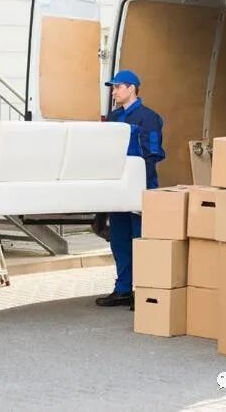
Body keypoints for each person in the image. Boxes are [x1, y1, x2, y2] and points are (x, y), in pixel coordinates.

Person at [95, 70, 165, 310]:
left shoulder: (149, 117)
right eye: (113, 88)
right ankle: (123, 289)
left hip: (140, 189)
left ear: (131, 88)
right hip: (117, 190)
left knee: (140, 241)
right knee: (119, 240)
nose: (113, 92)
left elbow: (152, 154)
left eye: (117, 87)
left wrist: (140, 187)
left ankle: (143, 291)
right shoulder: (114, 117)